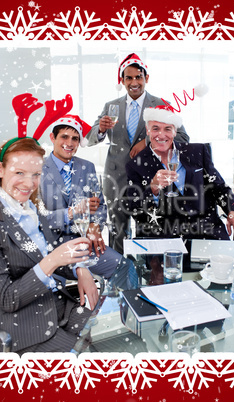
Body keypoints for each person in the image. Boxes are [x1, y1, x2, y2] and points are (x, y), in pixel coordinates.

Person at [86, 53, 190, 254]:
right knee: (118, 231)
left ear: (146, 78)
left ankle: (148, 273)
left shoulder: (161, 104)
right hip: (116, 178)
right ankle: (121, 271)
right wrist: (100, 129)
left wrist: (148, 140)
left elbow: (183, 138)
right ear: (122, 81)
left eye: (138, 77)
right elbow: (90, 138)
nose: (134, 82)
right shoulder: (111, 106)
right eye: (129, 78)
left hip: (148, 180)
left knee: (148, 229)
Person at [0, 137, 95, 354]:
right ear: (1, 170)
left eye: (35, 174)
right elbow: (7, 298)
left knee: (106, 340)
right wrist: (53, 261)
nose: (29, 183)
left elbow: (48, 250)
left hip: (57, 304)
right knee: (87, 366)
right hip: (23, 324)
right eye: (19, 172)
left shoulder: (31, 206)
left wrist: (80, 268)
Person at [40, 114, 127, 304]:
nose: (69, 143)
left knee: (124, 267)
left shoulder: (86, 167)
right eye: (64, 136)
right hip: (49, 247)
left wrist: (95, 226)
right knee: (51, 296)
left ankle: (114, 314)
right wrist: (71, 213)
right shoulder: (38, 169)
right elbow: (40, 219)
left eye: (75, 138)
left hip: (85, 244)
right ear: (52, 138)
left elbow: (100, 205)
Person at [126, 105, 234, 241]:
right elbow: (135, 210)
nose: (161, 135)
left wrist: (233, 212)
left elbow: (220, 188)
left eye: (167, 129)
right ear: (147, 131)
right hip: (165, 235)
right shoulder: (135, 165)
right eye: (155, 129)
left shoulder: (197, 151)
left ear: (175, 131)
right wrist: (152, 189)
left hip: (207, 231)